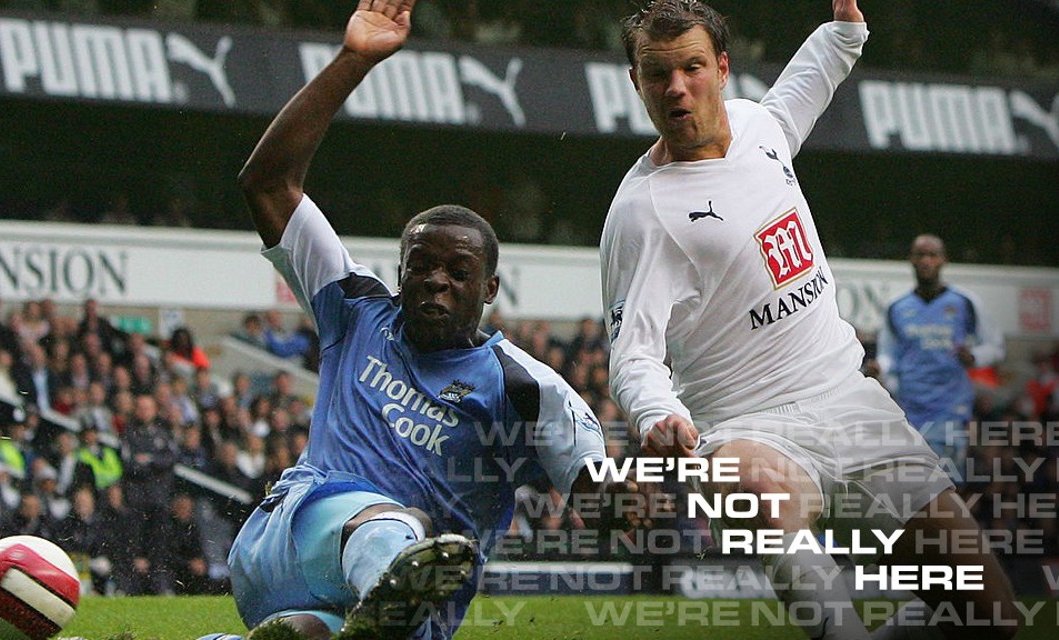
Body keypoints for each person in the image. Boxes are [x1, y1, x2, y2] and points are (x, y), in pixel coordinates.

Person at [211, 2, 634, 639]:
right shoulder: (354, 308)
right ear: (402, 270)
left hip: (396, 617)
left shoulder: (526, 390)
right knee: (396, 524)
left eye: (457, 272)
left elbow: (606, 512)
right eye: (421, 266)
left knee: (309, 635)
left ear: (490, 289)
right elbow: (267, 182)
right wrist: (354, 59)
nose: (435, 280)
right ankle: (389, 579)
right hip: (292, 537)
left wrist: (650, 474)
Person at [600, 2, 1018, 639]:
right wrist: (656, 414)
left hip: (852, 401)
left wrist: (845, 28)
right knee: (758, 492)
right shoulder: (640, 214)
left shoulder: (757, 126)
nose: (676, 89)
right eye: (657, 75)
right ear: (636, 82)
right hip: (748, 426)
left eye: (691, 68)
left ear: (721, 67)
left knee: (988, 621)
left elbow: (807, 83)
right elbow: (633, 354)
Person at [873, 234, 1005, 473]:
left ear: (944, 260)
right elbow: (888, 355)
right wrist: (879, 368)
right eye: (920, 255)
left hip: (950, 406)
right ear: (911, 260)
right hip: (909, 406)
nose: (926, 261)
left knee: (946, 482)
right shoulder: (897, 307)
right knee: (913, 485)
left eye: (932, 255)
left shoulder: (965, 302)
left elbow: (995, 347)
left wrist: (973, 357)